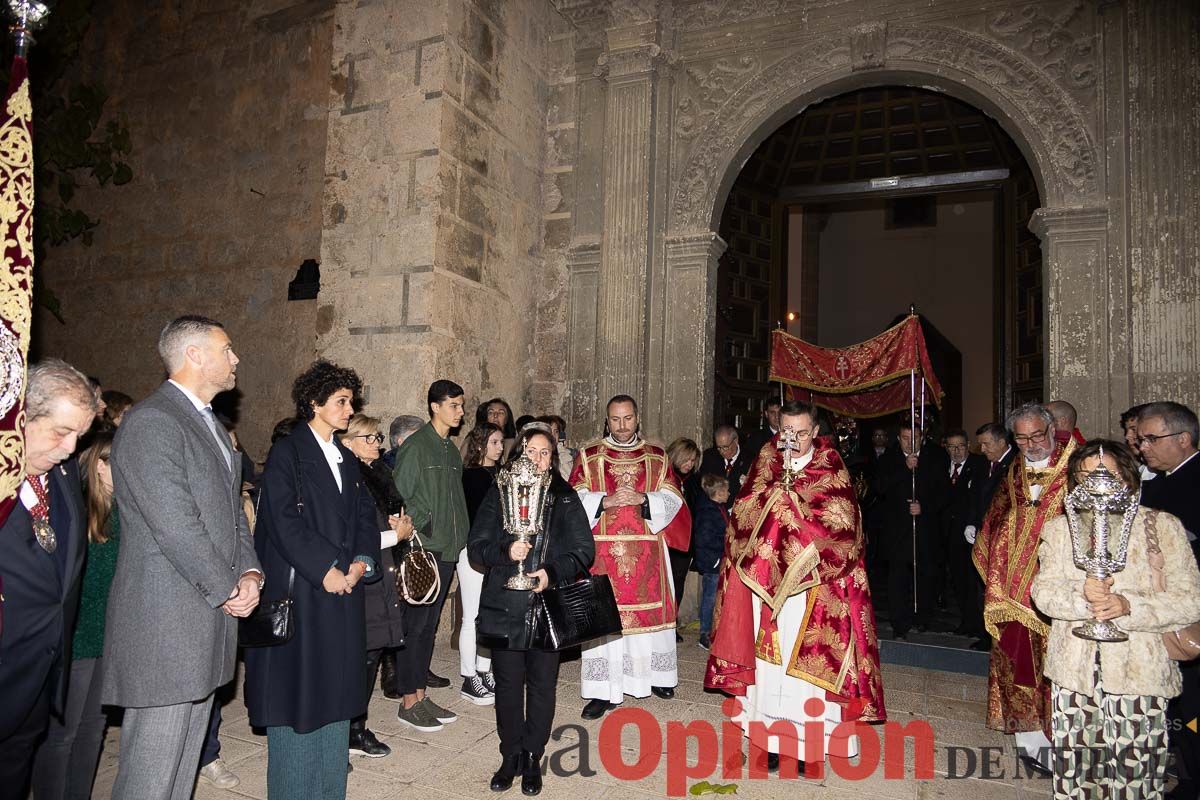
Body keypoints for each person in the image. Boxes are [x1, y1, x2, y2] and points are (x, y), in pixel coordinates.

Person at [103, 316, 262, 800]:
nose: (235, 358)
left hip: (204, 616)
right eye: (227, 348)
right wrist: (228, 586)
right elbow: (175, 525)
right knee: (151, 774)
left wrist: (250, 570)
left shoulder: (208, 423)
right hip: (165, 623)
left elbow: (231, 511)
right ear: (194, 354)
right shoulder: (153, 422)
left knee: (181, 768)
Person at [705, 401, 885, 774]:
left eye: (801, 433)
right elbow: (743, 512)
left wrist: (795, 511)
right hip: (767, 588)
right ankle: (770, 742)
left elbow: (844, 527)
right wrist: (772, 500)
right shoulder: (766, 460)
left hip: (814, 590)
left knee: (804, 676)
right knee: (771, 670)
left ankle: (809, 747)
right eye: (786, 432)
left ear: (815, 432)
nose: (793, 440)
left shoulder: (831, 466)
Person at [1031, 440, 1200, 799]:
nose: (1098, 484)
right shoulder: (1061, 530)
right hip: (1073, 673)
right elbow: (1043, 594)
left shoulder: (1162, 527)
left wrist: (1127, 606)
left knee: (1135, 776)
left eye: (1108, 475)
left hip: (1138, 673)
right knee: (1077, 776)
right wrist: (1084, 601)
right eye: (1087, 476)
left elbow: (1190, 602)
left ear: (1130, 479)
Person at [243, 361, 380, 798]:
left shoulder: (345, 457)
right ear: (314, 404)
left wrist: (360, 561)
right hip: (305, 592)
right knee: (298, 700)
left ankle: (328, 790)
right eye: (340, 401)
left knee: (337, 695)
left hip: (343, 592)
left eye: (350, 400)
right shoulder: (289, 452)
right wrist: (327, 570)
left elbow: (362, 516)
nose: (348, 408)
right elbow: (282, 522)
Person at [469, 427, 595, 796]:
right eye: (532, 451)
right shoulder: (500, 490)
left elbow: (583, 549)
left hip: (545, 607)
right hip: (504, 604)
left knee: (542, 686)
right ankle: (510, 756)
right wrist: (504, 553)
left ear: (552, 458)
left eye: (545, 453)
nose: (538, 459)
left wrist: (551, 573)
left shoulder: (563, 495)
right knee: (508, 686)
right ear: (518, 453)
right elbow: (476, 546)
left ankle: (533, 756)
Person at [0, 360, 95, 800]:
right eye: (61, 432)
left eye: (80, 435)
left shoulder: (59, 476)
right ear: (20, 417)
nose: (71, 448)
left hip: (39, 680)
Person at [971, 402, 1077, 774]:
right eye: (1022, 438)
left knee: (1056, 667)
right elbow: (999, 514)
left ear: (1053, 431)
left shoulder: (1078, 468)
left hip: (1059, 591)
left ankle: (1062, 740)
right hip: (1012, 592)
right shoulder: (1014, 468)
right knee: (1017, 664)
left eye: (1037, 436)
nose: (1032, 444)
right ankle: (1029, 739)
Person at [570, 395, 691, 719]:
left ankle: (656, 677)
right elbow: (574, 498)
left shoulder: (656, 456)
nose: (622, 426)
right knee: (605, 620)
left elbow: (674, 497)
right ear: (606, 421)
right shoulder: (590, 455)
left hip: (646, 549)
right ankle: (601, 691)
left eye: (627, 419)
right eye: (615, 420)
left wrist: (645, 499)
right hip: (603, 552)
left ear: (638, 418)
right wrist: (604, 501)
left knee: (650, 620)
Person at [29, 432, 119, 800]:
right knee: (62, 733)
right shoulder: (76, 510)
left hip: (108, 635)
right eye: (120, 460)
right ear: (100, 466)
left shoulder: (124, 510)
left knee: (93, 727)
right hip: (78, 634)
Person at [392, 379, 470, 731]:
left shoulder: (450, 450)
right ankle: (408, 700)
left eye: (462, 405)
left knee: (428, 627)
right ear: (435, 407)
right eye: (454, 405)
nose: (460, 412)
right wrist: (422, 526)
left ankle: (420, 694)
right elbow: (402, 497)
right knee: (416, 626)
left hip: (448, 549)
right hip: (425, 550)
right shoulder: (416, 446)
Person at [339, 413, 414, 759]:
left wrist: (396, 524)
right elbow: (353, 535)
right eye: (369, 438)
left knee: (372, 652)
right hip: (362, 573)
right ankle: (350, 728)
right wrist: (392, 534)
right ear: (348, 443)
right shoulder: (348, 478)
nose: (377, 444)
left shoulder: (376, 473)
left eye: (378, 437)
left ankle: (355, 726)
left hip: (381, 567)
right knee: (360, 654)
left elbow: (377, 519)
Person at [1136, 401, 1200, 799]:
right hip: (1163, 608)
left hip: (1190, 609)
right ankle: (1189, 774)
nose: (1143, 446)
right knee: (1183, 701)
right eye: (1141, 438)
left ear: (1183, 438)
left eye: (1151, 438)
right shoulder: (1158, 483)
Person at [873, 422, 950, 638]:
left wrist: (925, 507)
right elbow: (879, 487)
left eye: (915, 437)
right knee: (897, 578)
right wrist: (904, 469)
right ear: (898, 438)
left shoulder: (936, 456)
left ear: (922, 437)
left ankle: (923, 617)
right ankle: (900, 622)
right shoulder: (888, 458)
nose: (911, 442)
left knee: (925, 574)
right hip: (897, 529)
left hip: (925, 527)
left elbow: (945, 492)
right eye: (906, 438)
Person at [456, 423, 502, 705]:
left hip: (496, 552)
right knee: (471, 616)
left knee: (490, 615)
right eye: (494, 442)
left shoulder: (500, 473)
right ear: (480, 444)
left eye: (500, 442)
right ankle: (468, 676)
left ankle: (485, 670)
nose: (500, 447)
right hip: (473, 551)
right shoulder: (471, 476)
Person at [962, 422, 1016, 649]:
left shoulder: (1015, 464)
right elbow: (976, 497)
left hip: (1003, 538)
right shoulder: (984, 466)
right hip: (983, 536)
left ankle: (1000, 634)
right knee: (981, 585)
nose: (982, 449)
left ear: (1002, 442)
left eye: (986, 444)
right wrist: (972, 523)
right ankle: (986, 633)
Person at [942, 429, 988, 637]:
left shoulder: (979, 465)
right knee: (958, 581)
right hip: (948, 534)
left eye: (960, 446)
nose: (956, 451)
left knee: (974, 582)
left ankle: (980, 625)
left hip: (971, 533)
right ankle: (966, 621)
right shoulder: (940, 466)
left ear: (968, 445)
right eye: (952, 446)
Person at [666, 436, 702, 637]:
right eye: (686, 460)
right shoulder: (666, 476)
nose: (689, 464)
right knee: (666, 582)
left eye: (693, 461)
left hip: (686, 541)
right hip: (668, 538)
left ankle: (672, 623)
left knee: (679, 582)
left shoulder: (694, 480)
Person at [692, 473, 729, 651]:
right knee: (709, 598)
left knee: (716, 597)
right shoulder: (708, 512)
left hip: (718, 559)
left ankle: (714, 630)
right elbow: (705, 539)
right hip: (712, 561)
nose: (729, 493)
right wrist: (715, 558)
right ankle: (705, 633)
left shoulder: (717, 508)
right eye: (726, 491)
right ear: (718, 493)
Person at [699, 424, 751, 503]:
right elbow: (704, 487)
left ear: (736, 441)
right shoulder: (710, 457)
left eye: (726, 447)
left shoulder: (750, 460)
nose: (722, 451)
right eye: (719, 448)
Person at [461, 398, 517, 463]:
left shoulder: (510, 443)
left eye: (501, 412)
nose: (495, 415)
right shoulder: (473, 439)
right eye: (491, 412)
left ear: (506, 419)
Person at [743, 396, 782, 463]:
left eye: (779, 412)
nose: (777, 416)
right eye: (772, 412)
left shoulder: (792, 435)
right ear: (766, 414)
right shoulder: (756, 438)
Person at [538, 414, 576, 480]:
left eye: (556, 432)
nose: (553, 435)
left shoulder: (567, 455)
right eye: (549, 431)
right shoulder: (535, 458)